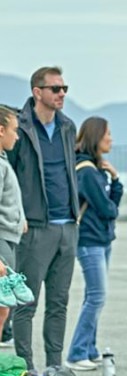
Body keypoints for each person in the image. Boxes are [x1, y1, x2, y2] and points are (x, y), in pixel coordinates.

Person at [7, 66, 79, 371]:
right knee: (26, 303)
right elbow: (8, 177)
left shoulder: (67, 127)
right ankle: (26, 371)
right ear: (38, 92)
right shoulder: (21, 128)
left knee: (59, 304)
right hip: (34, 228)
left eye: (64, 88)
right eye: (55, 89)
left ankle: (54, 369)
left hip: (67, 228)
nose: (62, 94)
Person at [66, 117, 123, 371]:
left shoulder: (95, 169)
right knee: (97, 296)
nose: (111, 139)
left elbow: (109, 207)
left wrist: (115, 179)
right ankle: (77, 353)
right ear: (96, 136)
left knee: (93, 295)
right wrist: (115, 184)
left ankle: (89, 349)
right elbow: (108, 209)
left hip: (100, 239)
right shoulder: (88, 171)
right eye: (107, 134)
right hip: (90, 241)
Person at [0, 106, 33, 342]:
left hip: (9, 236)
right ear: (1, 131)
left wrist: (19, 219)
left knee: (4, 307)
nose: (17, 136)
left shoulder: (3, 161)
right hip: (1, 240)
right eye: (14, 130)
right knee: (2, 307)